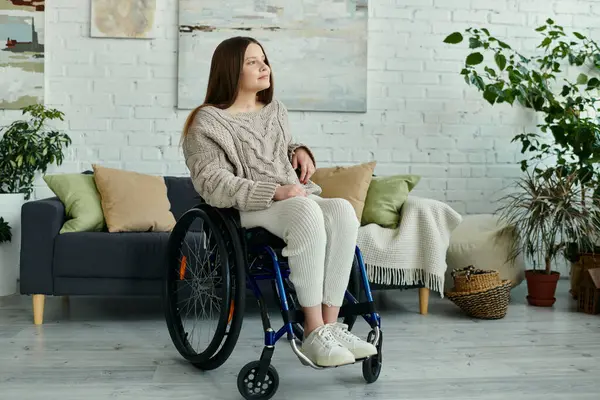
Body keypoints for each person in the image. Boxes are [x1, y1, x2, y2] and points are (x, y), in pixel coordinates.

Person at [181, 36, 377, 367]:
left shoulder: (275, 111)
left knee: (342, 210)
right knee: (304, 211)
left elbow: (275, 153)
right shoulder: (208, 122)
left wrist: (298, 151)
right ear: (230, 71)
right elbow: (212, 183)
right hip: (250, 208)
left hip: (293, 198)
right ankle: (312, 331)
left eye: (264, 59)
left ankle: (330, 324)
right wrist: (275, 191)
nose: (264, 67)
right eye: (251, 62)